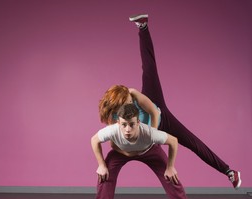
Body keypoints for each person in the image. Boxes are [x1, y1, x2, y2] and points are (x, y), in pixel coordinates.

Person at [98, 14, 241, 189]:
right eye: (127, 102)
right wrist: (128, 150)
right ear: (117, 108)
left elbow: (151, 111)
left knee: (192, 143)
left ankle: (229, 172)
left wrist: (152, 133)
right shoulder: (115, 117)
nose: (130, 102)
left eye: (129, 98)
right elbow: (113, 141)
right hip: (142, 130)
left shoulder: (133, 94)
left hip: (159, 111)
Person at [85, 103, 203, 199]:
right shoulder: (112, 130)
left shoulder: (148, 133)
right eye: (124, 124)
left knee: (170, 177)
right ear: (118, 122)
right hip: (121, 153)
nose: (128, 130)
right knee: (104, 175)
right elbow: (94, 140)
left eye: (132, 124)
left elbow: (173, 141)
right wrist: (101, 165)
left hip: (148, 151)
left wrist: (170, 167)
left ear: (138, 122)